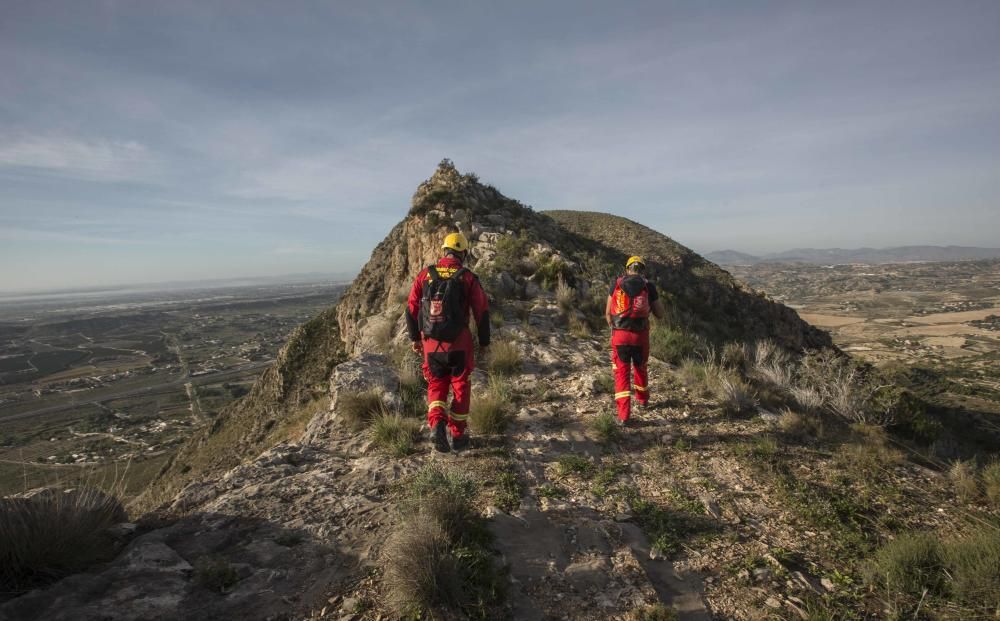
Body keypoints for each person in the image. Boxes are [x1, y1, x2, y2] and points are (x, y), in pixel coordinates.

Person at [405, 232, 491, 452]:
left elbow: (411, 310)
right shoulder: (467, 277)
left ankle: (437, 423)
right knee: (461, 386)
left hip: (431, 344)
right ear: (463, 253)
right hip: (459, 343)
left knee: (436, 384)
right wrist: (484, 342)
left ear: (444, 251)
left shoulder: (425, 275)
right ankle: (459, 436)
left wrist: (415, 339)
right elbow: (481, 311)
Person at [605, 256, 665, 426]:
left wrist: (615, 329)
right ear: (642, 270)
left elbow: (608, 313)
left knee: (621, 373)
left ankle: (624, 416)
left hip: (620, 335)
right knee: (641, 368)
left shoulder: (616, 283)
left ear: (627, 269)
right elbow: (660, 314)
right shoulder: (649, 286)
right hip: (641, 336)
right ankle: (643, 399)